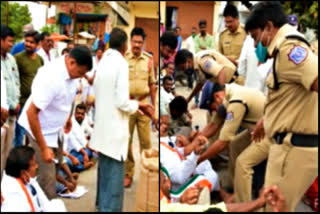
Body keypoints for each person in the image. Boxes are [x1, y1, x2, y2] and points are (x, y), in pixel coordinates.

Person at [243, 2, 318, 211]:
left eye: (255, 37)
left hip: (293, 148)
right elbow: (289, 97)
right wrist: (266, 120)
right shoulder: (282, 52)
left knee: (274, 208)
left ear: (268, 27)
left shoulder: (289, 49)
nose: (256, 44)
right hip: (286, 146)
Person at [90, 27, 153, 212]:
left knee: (104, 177)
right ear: (125, 44)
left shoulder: (102, 62)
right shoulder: (121, 63)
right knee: (114, 182)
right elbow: (122, 102)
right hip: (115, 132)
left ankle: (102, 207)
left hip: (102, 131)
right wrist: (139, 105)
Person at [18, 46, 93, 200]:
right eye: (80, 73)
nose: (80, 77)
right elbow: (31, 113)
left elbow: (70, 95)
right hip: (39, 129)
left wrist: (67, 117)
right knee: (46, 175)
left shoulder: (71, 73)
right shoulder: (51, 77)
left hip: (55, 128)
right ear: (72, 62)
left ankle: (46, 198)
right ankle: (43, 203)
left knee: (57, 165)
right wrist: (44, 147)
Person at [195, 83, 266, 189]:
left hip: (268, 132)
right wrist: (194, 141)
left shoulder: (235, 102)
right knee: (235, 145)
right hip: (255, 128)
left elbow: (223, 142)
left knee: (242, 163)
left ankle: (242, 198)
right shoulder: (228, 93)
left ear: (217, 97)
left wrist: (199, 159)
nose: (214, 111)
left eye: (212, 108)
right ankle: (235, 185)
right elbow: (213, 125)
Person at [123, 27, 157, 188]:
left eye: (140, 42)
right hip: (128, 105)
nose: (137, 45)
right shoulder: (123, 59)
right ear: (130, 41)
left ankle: (147, 173)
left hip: (144, 105)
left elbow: (152, 85)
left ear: (143, 43)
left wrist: (154, 108)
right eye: (134, 41)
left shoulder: (149, 60)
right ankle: (128, 173)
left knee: (146, 142)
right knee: (126, 141)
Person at [1, 146, 66, 212]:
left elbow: (45, 204)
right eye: (34, 164)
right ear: (23, 172)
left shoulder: (29, 179)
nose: (37, 166)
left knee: (57, 203)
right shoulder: (13, 196)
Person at [1, 25, 20, 180]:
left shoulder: (11, 59)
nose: (11, 44)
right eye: (8, 41)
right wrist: (10, 106)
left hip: (11, 116)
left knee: (6, 154)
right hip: (2, 114)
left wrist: (16, 103)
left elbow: (16, 83)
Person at [65, 104, 96, 172]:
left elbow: (90, 130)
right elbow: (80, 141)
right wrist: (95, 149)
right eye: (78, 113)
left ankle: (74, 165)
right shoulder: (71, 123)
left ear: (84, 115)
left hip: (79, 149)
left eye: (82, 114)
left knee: (88, 152)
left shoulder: (83, 121)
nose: (80, 115)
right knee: (67, 160)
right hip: (70, 151)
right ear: (74, 113)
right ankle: (80, 167)